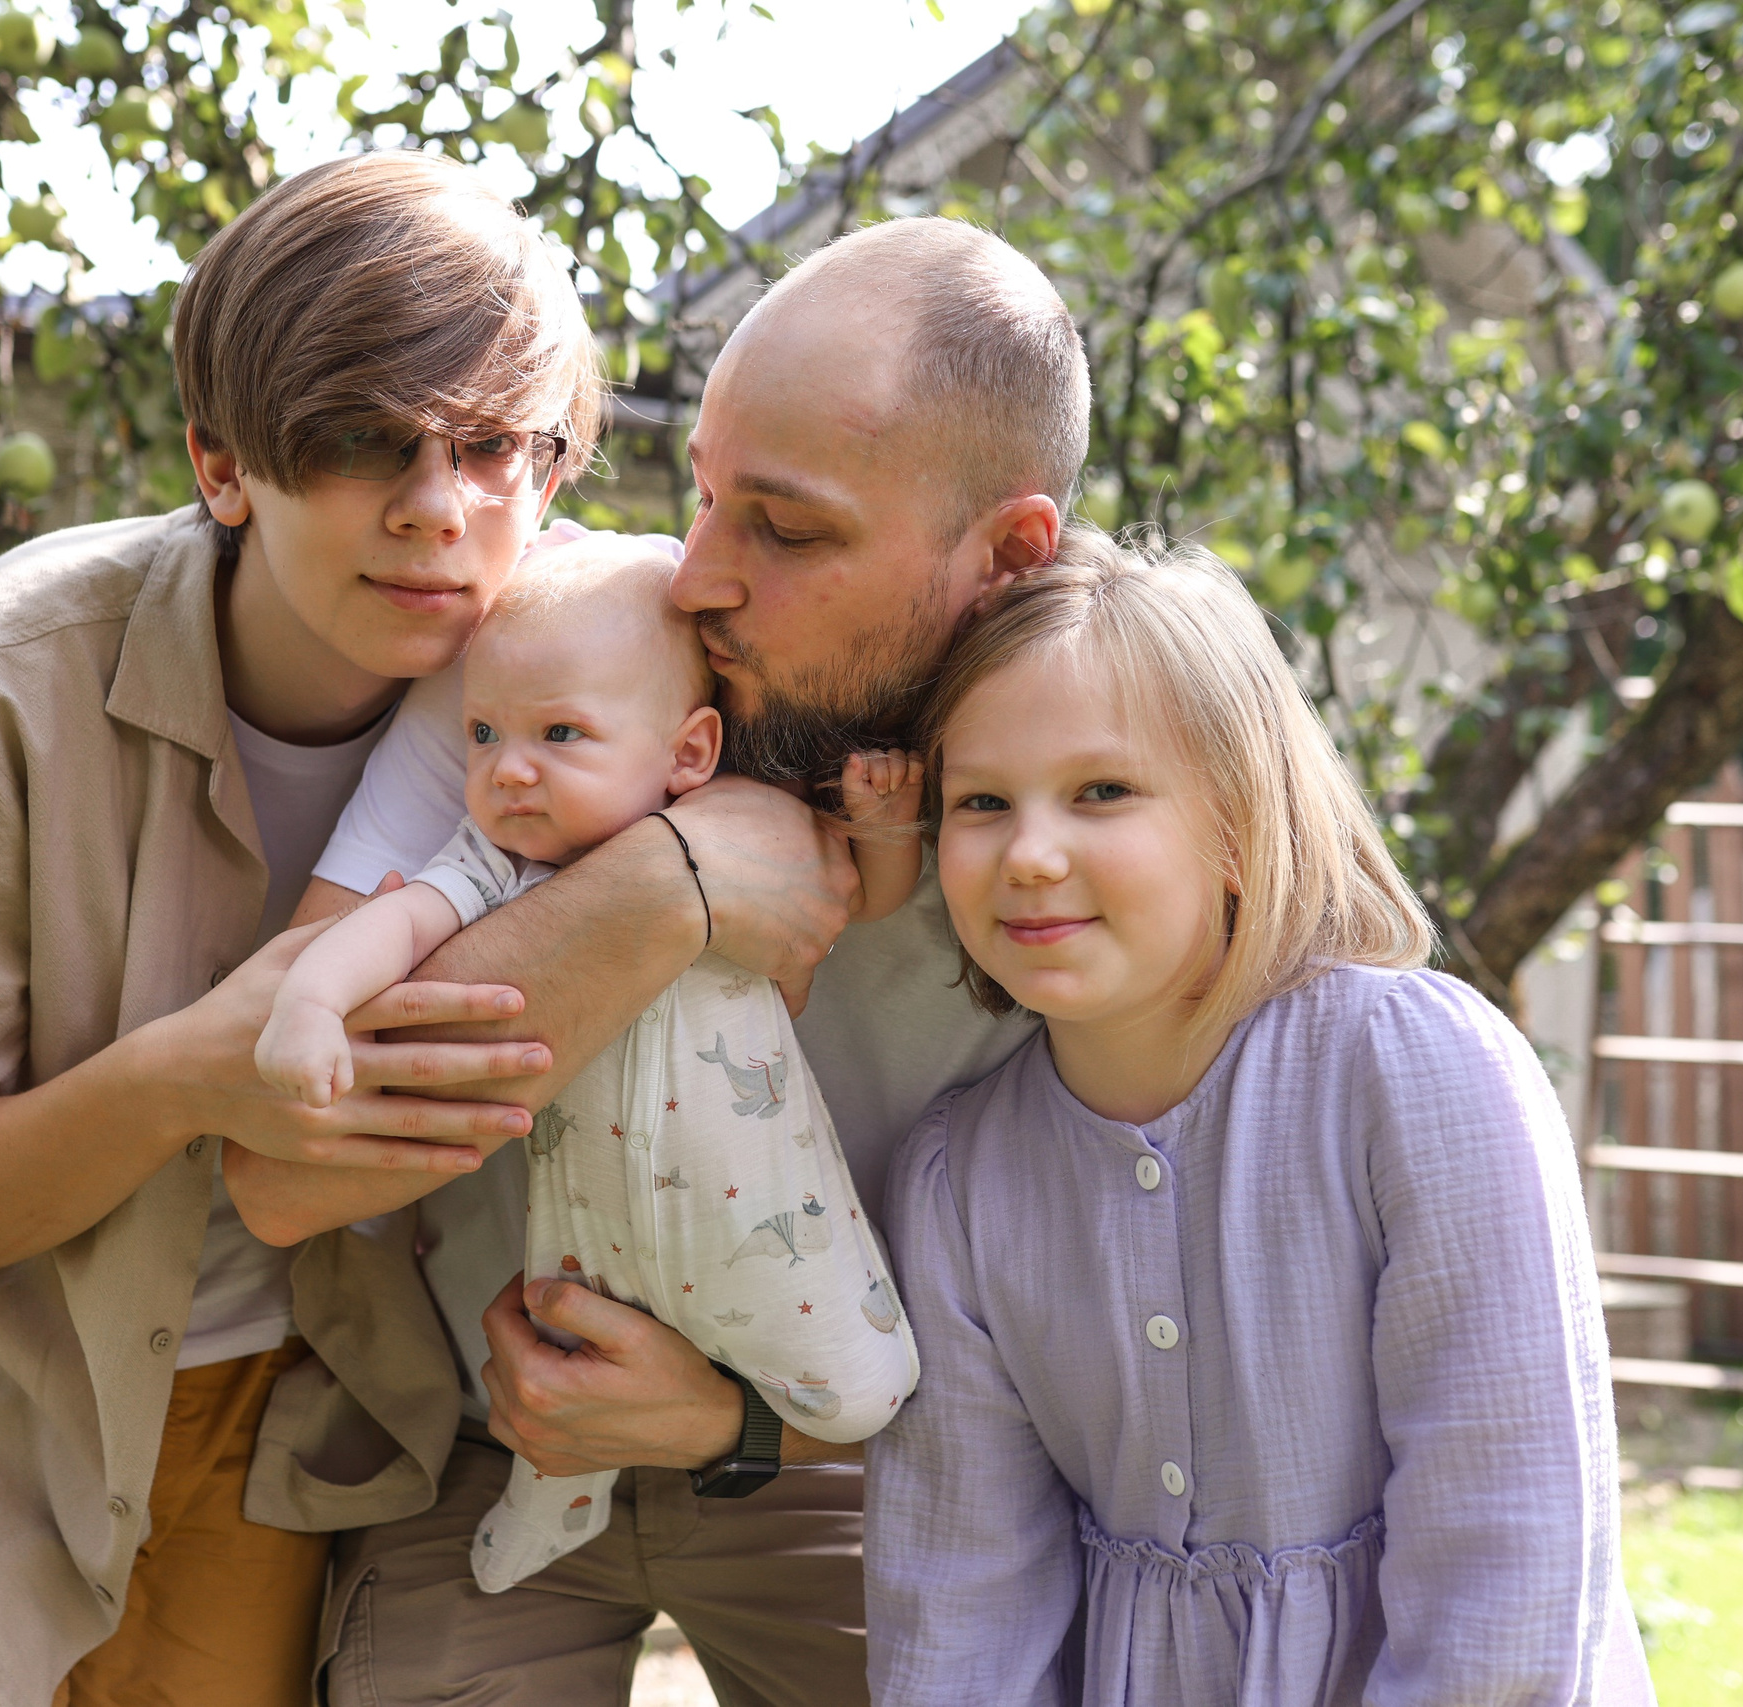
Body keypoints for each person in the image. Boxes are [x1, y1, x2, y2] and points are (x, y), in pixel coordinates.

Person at [0, 151, 597, 1707]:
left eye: (492, 446)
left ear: (553, 467)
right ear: (223, 461)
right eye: (359, 441)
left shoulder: (585, 687)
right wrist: (184, 1078)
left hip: (271, 1416)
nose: (436, 507)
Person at [223, 216, 1092, 1704]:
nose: (695, 575)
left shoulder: (1094, 781)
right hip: (496, 1436)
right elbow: (288, 1168)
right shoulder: (570, 650)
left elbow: (1127, 1336)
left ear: (1007, 556)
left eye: (788, 527)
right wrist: (666, 884)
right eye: (701, 494)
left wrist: (738, 1423)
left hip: (853, 1456)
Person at [864, 529, 1654, 1705]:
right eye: (983, 802)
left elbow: (1508, 1558)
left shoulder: (1416, 1076)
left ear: (1237, 823)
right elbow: (960, 1610)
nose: (1029, 853)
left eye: (1101, 792)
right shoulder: (955, 1180)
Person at [256, 532, 923, 1594]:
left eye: (560, 734)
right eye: (483, 733)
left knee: (860, 1391)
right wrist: (310, 1002)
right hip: (587, 1227)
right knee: (560, 1382)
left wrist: (883, 831)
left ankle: (785, 1432)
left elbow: (847, 913)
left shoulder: (741, 833)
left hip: (755, 1215)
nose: (508, 769)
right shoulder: (497, 866)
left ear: (688, 753)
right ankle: (557, 1500)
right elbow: (393, 926)